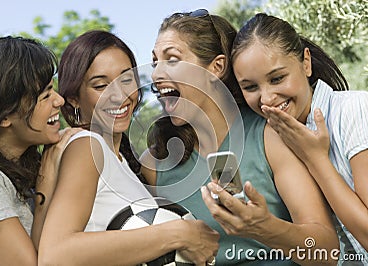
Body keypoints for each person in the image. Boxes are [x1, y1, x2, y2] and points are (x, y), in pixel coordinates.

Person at [144, 9, 339, 265]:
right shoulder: (155, 164)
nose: (156, 75)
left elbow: (327, 251)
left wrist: (265, 228)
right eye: (155, 62)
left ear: (216, 67)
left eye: (172, 60)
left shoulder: (270, 137)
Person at [37, 30, 219, 266]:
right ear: (73, 99)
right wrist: (179, 233)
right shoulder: (86, 146)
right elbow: (55, 256)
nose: (120, 95)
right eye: (101, 85)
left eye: (126, 80)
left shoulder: (121, 160)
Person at [231, 12, 368, 264]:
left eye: (277, 78)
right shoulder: (275, 138)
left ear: (306, 63)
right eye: (251, 87)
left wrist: (316, 159)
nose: (267, 99)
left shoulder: (354, 111)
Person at [0, 36, 80, 265]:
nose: (59, 101)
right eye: (45, 95)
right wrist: (46, 177)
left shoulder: (24, 169)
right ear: (4, 116)